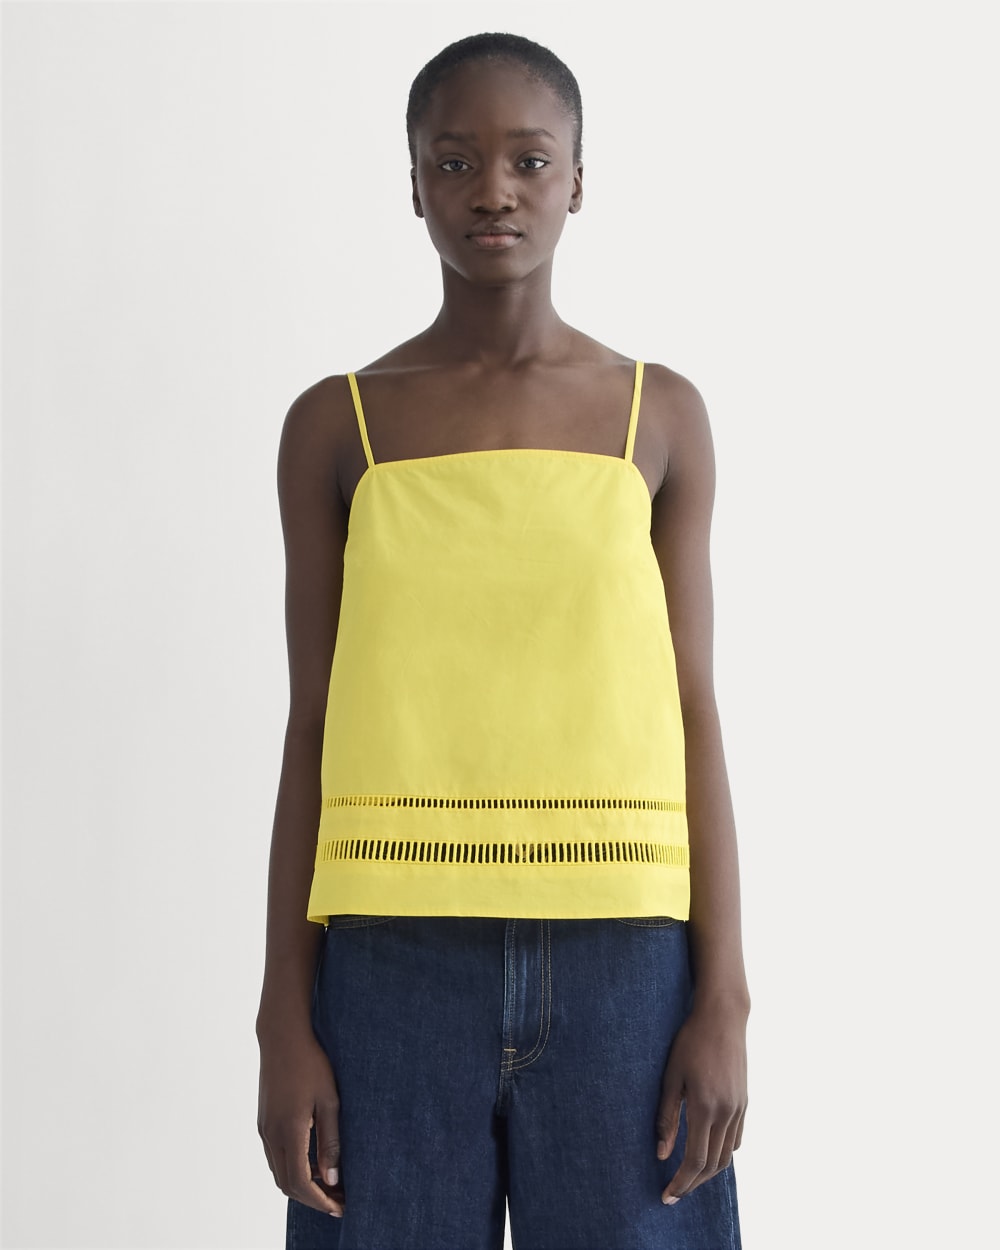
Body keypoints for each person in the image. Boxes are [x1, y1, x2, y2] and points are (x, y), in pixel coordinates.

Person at [256, 31, 749, 1250]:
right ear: (412, 182)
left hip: (625, 962)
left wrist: (723, 995)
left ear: (577, 179)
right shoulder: (338, 426)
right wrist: (283, 1016)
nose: (493, 189)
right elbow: (312, 719)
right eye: (454, 160)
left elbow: (692, 704)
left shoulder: (657, 416)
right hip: (390, 963)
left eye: (528, 159)